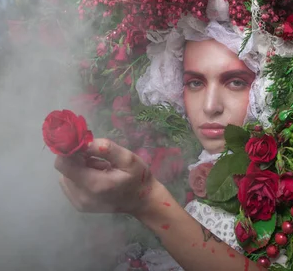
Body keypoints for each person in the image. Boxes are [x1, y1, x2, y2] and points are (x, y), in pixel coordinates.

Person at [54, 18, 276, 270]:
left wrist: (149, 201)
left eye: (236, 82)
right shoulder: (201, 181)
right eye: (195, 83)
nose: (210, 106)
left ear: (265, 85)